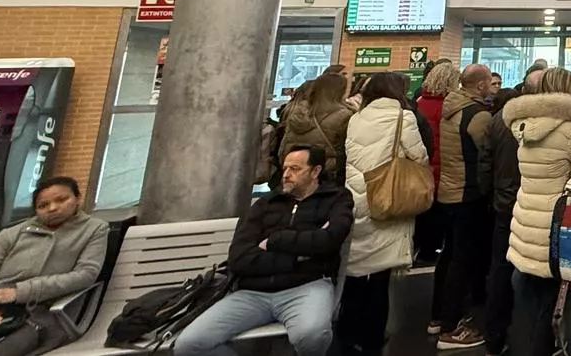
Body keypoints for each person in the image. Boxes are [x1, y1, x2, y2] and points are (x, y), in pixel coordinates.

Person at [176, 145, 353, 356]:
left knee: (312, 335)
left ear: (315, 171)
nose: (286, 175)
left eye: (295, 169)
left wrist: (273, 241)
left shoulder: (336, 199)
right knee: (190, 344)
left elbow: (329, 240)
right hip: (253, 292)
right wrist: (298, 257)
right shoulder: (265, 204)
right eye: (285, 168)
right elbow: (239, 257)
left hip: (306, 286)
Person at [0, 177, 107, 356]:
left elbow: (85, 275)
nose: (52, 208)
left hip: (41, 315)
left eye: (61, 200)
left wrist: (17, 293)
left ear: (77, 198)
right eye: (43, 205)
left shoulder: (94, 229)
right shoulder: (11, 234)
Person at [337, 73, 428, 356]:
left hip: (357, 196)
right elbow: (419, 156)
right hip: (387, 197)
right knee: (380, 277)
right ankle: (373, 338)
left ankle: (346, 334)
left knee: (354, 272)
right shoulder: (404, 117)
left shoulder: (356, 118)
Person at [505, 67, 571, 356]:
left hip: (525, 217)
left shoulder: (523, 125)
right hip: (553, 224)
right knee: (548, 302)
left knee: (526, 297)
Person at [433, 64, 497, 347]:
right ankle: (451, 326)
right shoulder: (477, 115)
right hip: (468, 194)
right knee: (462, 260)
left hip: (448, 191)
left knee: (448, 257)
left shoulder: (451, 109)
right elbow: (487, 153)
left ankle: (437, 317)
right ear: (481, 85)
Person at [477, 87, 522, 356]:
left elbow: (485, 163)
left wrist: (489, 195)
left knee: (499, 268)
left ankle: (494, 335)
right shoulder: (530, 123)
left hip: (501, 203)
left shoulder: (494, 121)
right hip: (527, 204)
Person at [414, 61, 460, 266]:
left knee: (422, 215)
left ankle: (420, 252)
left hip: (421, 168)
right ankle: (431, 255)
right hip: (444, 168)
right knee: (439, 219)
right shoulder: (450, 107)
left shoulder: (418, 102)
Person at [280, 72, 352, 176]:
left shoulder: (296, 112)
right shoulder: (344, 116)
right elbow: (344, 152)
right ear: (340, 91)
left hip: (296, 172)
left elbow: (283, 147)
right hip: (326, 175)